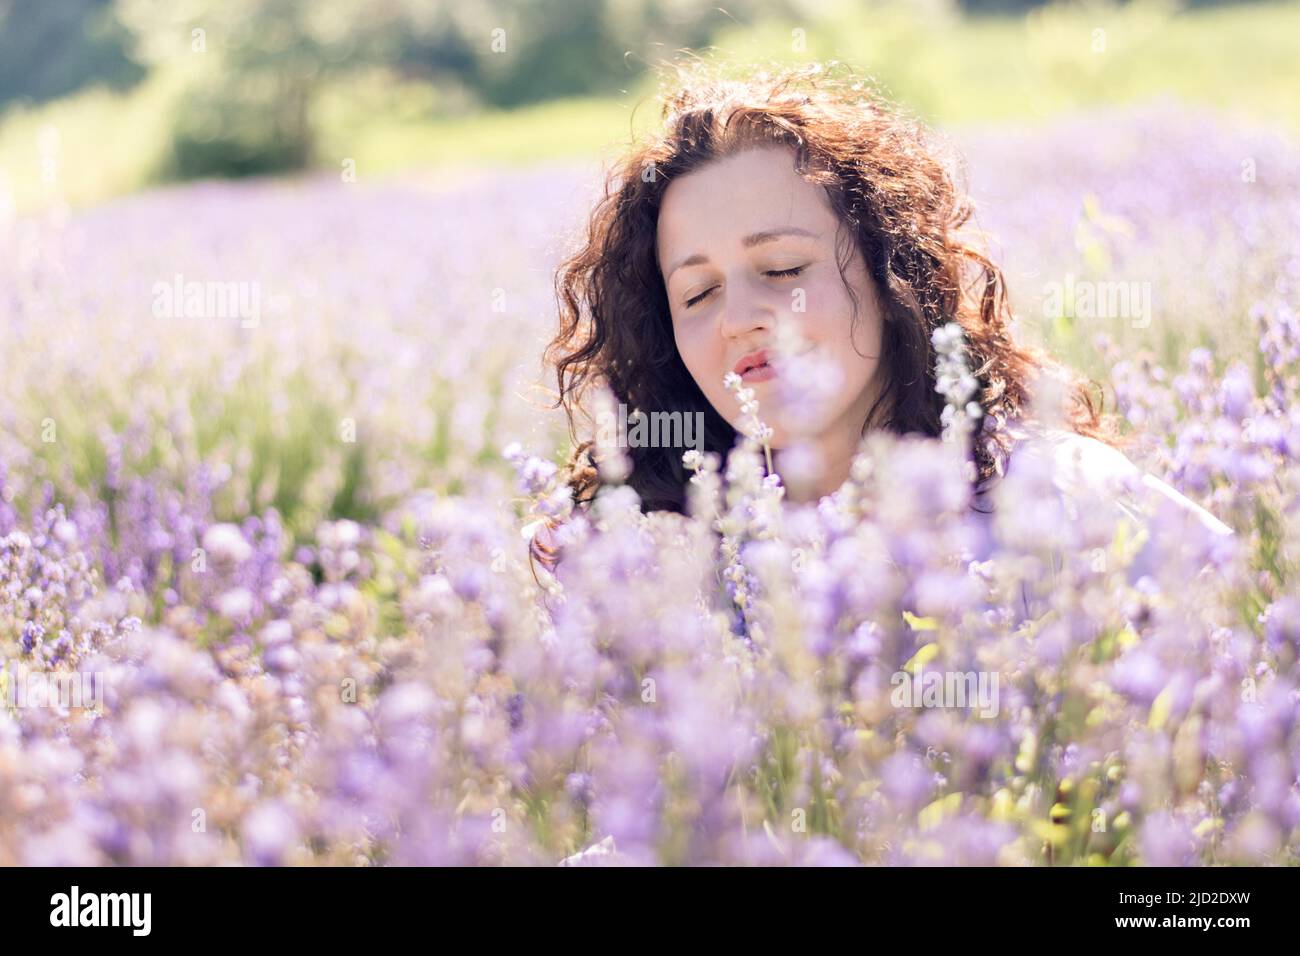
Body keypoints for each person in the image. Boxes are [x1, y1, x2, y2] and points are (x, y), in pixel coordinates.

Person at [532, 62, 1229, 575]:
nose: (739, 318)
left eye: (781, 270)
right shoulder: (660, 565)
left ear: (892, 270)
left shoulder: (1064, 499)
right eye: (697, 294)